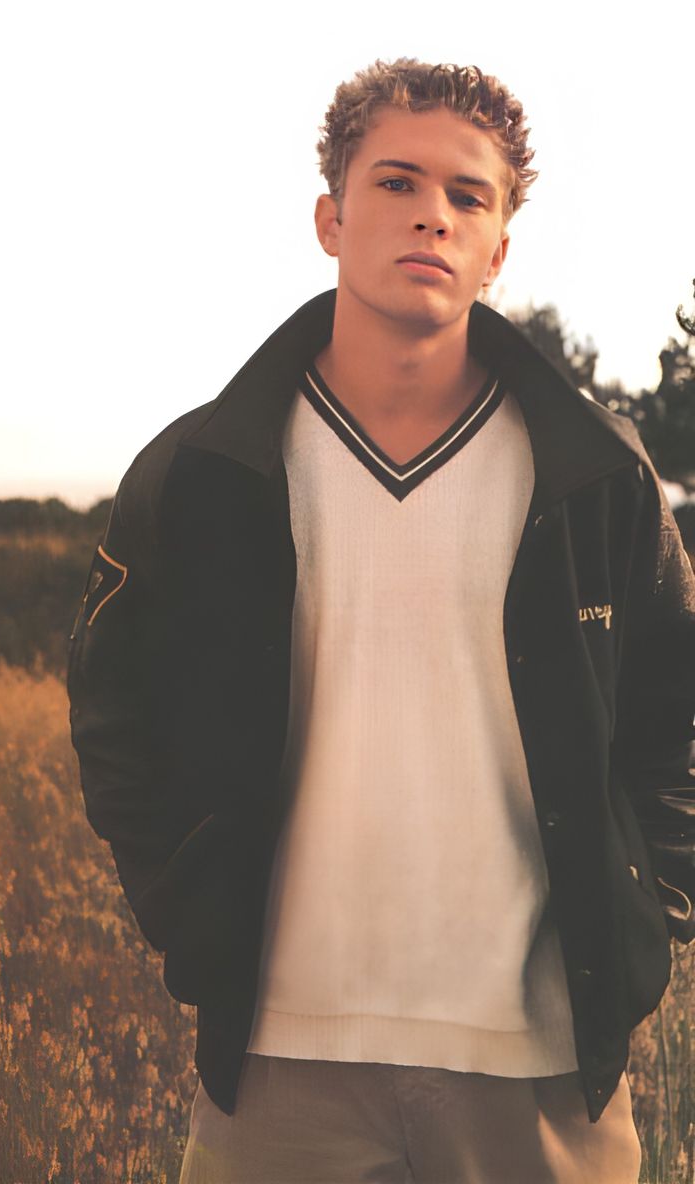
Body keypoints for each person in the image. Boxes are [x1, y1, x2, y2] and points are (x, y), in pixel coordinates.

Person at [67, 57, 695, 1183]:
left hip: (540, 1063)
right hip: (277, 1060)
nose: (431, 215)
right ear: (330, 216)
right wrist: (186, 902)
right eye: (396, 181)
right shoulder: (205, 468)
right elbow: (117, 710)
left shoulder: (595, 474)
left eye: (469, 195)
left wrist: (650, 911)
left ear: (499, 247)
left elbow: (676, 710)